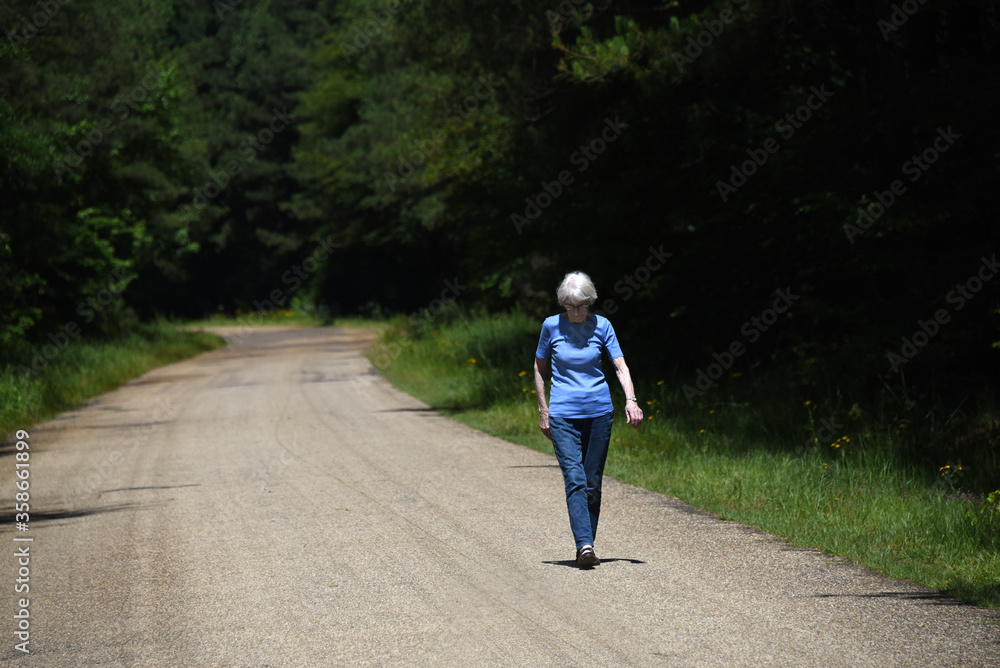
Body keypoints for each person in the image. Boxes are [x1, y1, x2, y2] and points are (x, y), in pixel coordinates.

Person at [533, 271, 643, 569]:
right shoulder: (551, 326)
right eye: (570, 307)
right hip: (563, 415)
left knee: (593, 482)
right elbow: (540, 368)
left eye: (581, 306)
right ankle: (584, 545)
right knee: (575, 479)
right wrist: (544, 411)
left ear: (590, 302)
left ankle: (586, 544)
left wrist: (631, 401)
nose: (576, 312)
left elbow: (620, 367)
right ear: (563, 305)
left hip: (599, 413)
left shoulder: (603, 326)